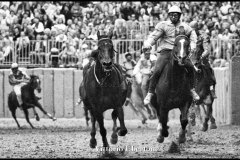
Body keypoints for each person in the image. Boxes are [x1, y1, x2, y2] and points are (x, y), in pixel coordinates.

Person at [142, 5, 199, 105]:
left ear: (179, 16)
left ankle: (192, 89)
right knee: (157, 70)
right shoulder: (163, 25)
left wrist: (193, 45)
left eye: (175, 15)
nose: (173, 17)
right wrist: (148, 44)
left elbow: (193, 36)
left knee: (191, 68)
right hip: (166, 52)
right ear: (169, 15)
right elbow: (154, 36)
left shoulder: (185, 27)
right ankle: (150, 92)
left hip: (180, 52)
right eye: (171, 15)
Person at [189, 21, 217, 99]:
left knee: (209, 72)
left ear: (197, 28)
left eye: (194, 30)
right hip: (190, 60)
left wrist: (202, 56)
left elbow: (207, 49)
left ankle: (211, 90)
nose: (192, 32)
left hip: (200, 59)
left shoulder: (204, 36)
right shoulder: (187, 35)